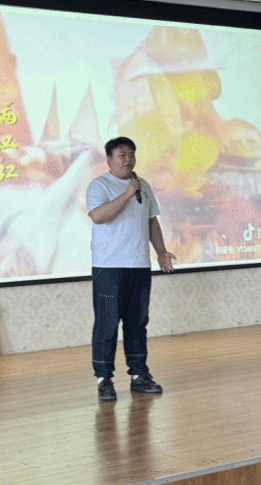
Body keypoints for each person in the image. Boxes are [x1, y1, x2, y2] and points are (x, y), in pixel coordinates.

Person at [86, 136, 176, 401]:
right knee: (107, 324)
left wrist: (161, 252)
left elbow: (151, 222)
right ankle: (104, 379)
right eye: (122, 155)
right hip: (109, 266)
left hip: (139, 264)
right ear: (109, 159)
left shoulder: (143, 185)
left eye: (131, 154)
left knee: (137, 323)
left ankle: (139, 375)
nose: (128, 159)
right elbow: (98, 217)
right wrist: (127, 194)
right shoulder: (99, 185)